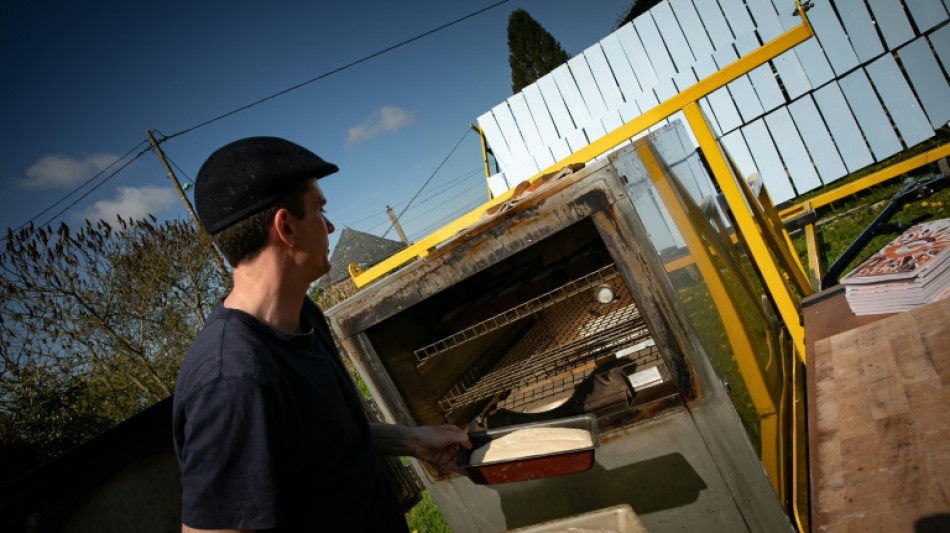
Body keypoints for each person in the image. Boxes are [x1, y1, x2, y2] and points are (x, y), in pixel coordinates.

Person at [172, 136, 471, 532]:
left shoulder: (302, 316)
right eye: (319, 209)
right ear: (286, 227)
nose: (330, 226)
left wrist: (411, 441)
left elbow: (323, 440)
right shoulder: (232, 381)